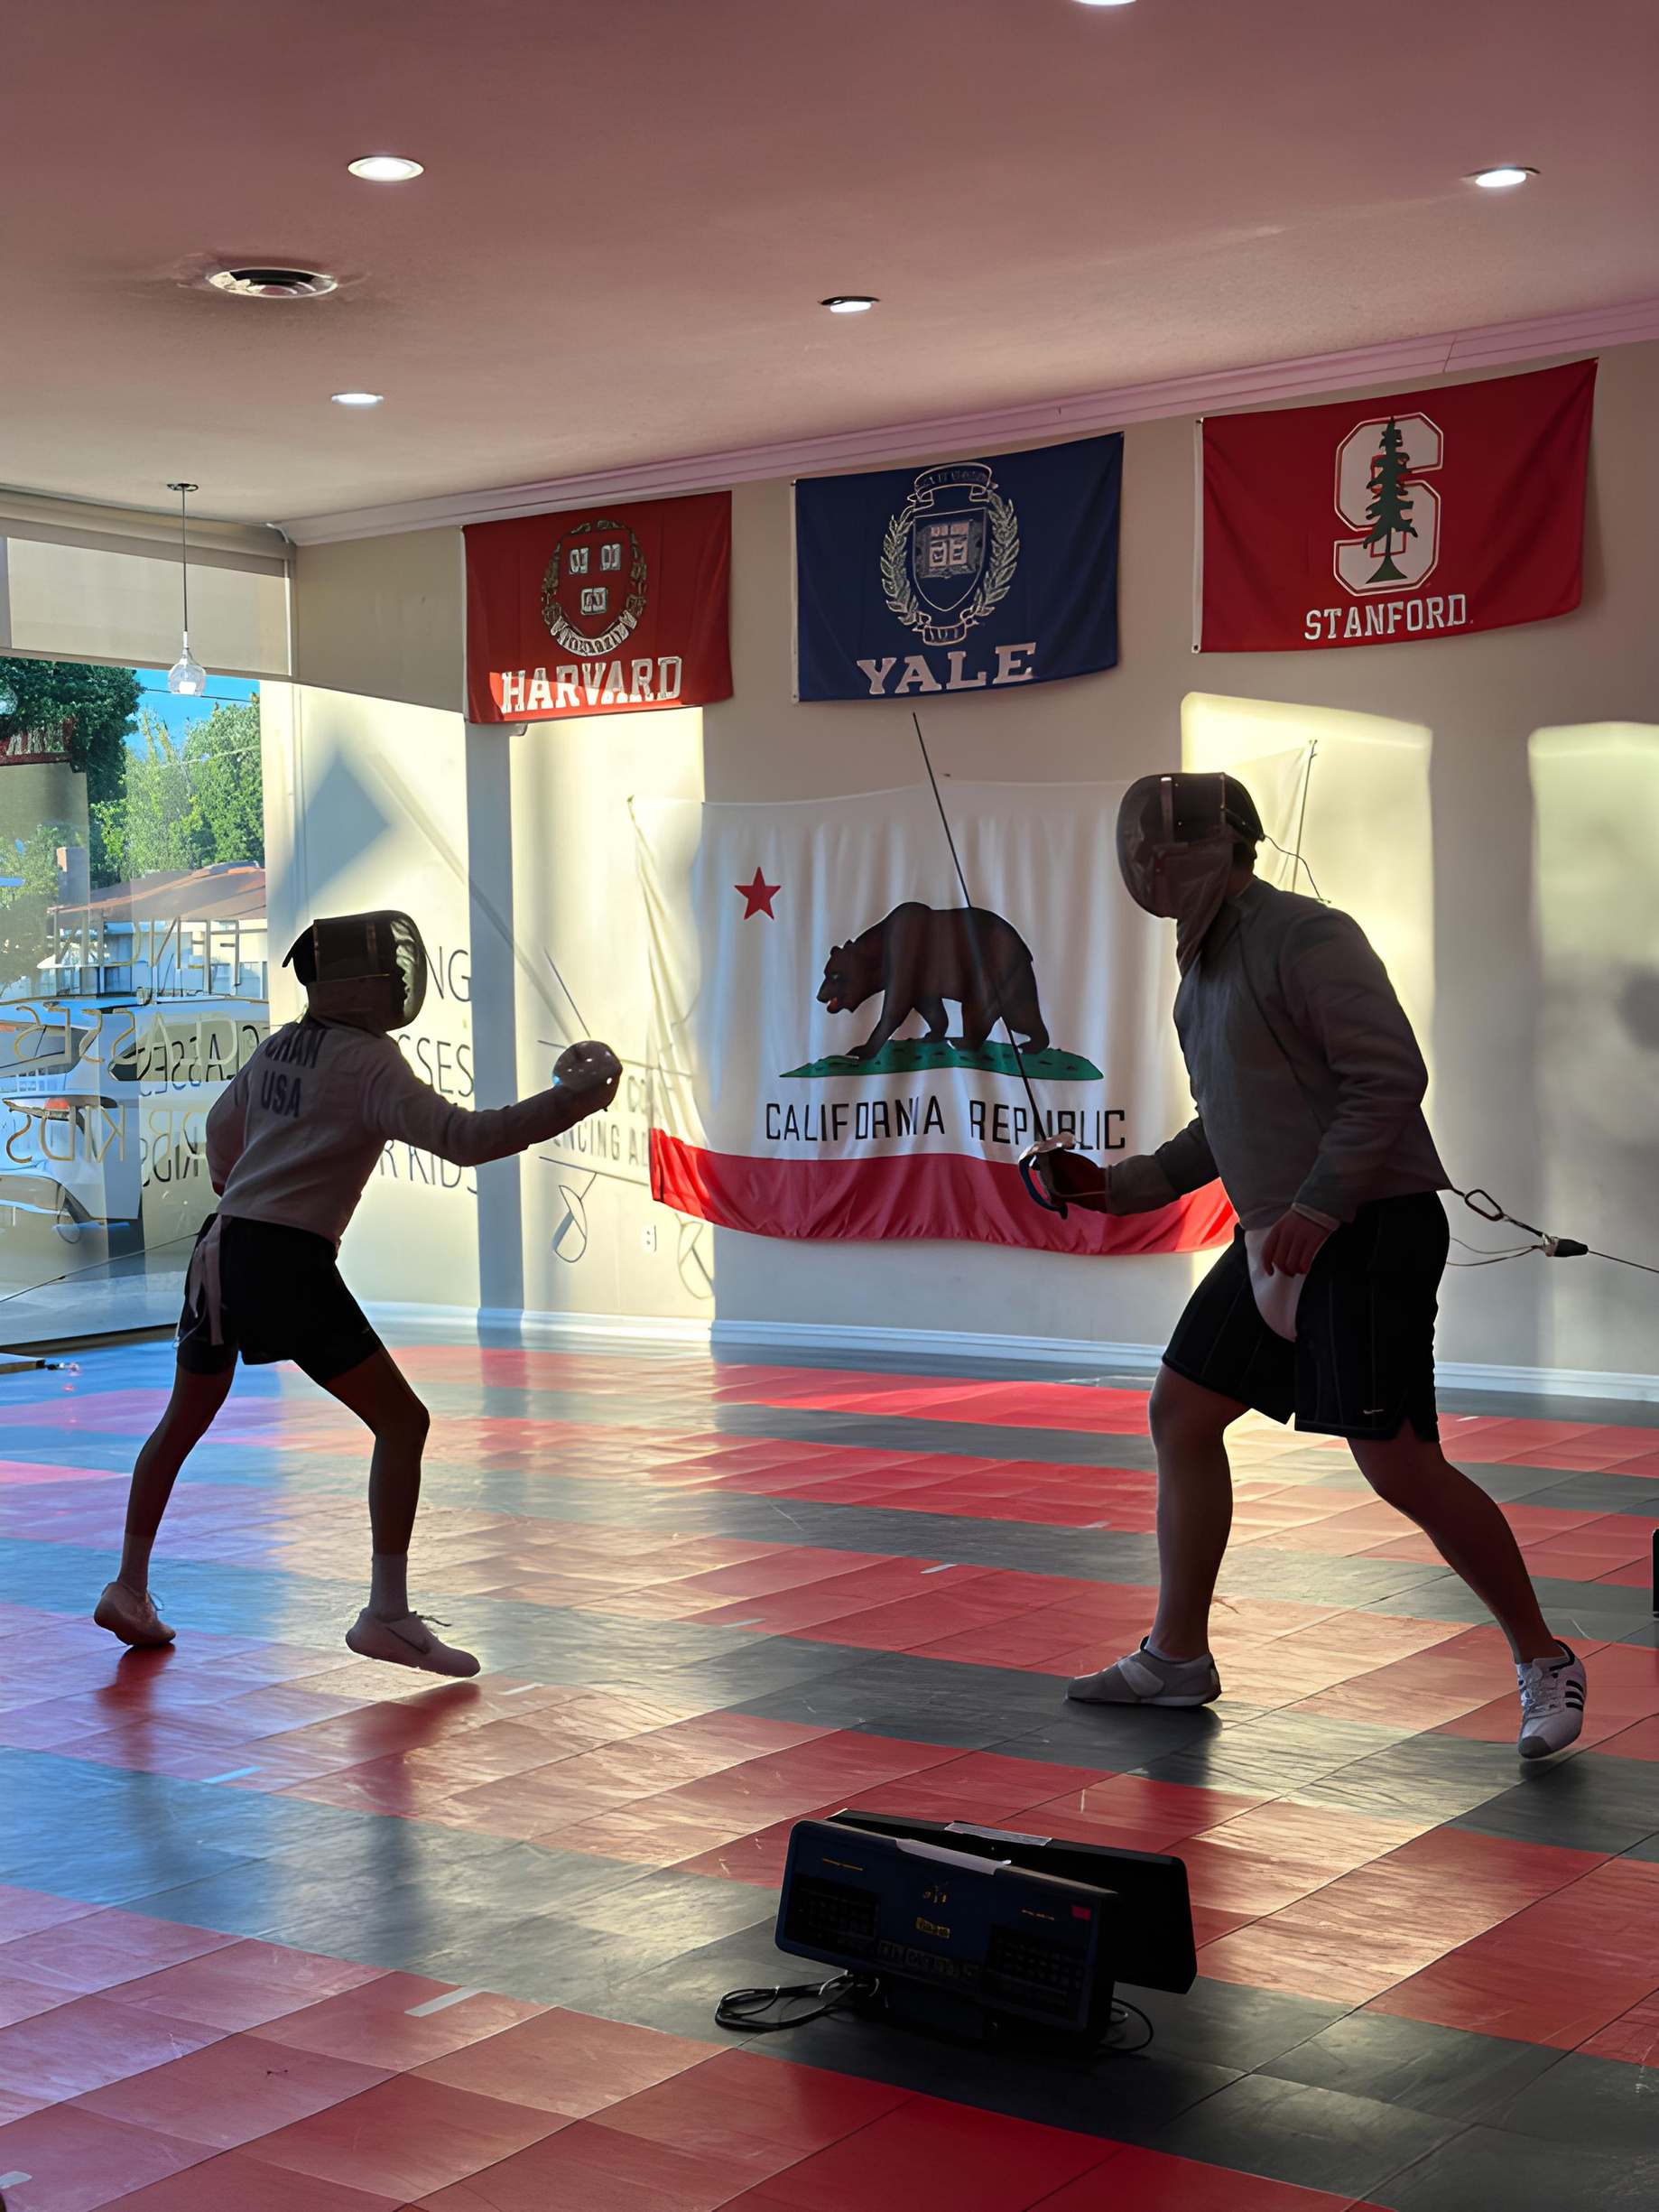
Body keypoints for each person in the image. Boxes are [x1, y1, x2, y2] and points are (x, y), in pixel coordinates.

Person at [1029, 773, 1586, 1761]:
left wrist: (1318, 1205)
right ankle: (1176, 1656)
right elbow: (1226, 1126)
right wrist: (1116, 1186)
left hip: (1368, 1226)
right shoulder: (1197, 974)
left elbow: (1387, 1076)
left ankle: (1544, 1658)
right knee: (1181, 1410)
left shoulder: (1304, 934)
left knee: (1399, 1464)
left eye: (1170, 844)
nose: (1153, 864)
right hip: (1272, 1232)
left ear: (1226, 843)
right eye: (1143, 849)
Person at [94, 908, 621, 1679]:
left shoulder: (282, 1045)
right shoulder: (369, 1062)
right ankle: (386, 1614)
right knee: (403, 1421)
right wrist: (569, 1104)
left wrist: (238, 1188)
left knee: (183, 1421)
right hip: (281, 1257)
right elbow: (465, 1140)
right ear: (363, 984)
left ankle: (128, 1588)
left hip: (221, 1245)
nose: (402, 982)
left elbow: (219, 1125)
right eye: (389, 970)